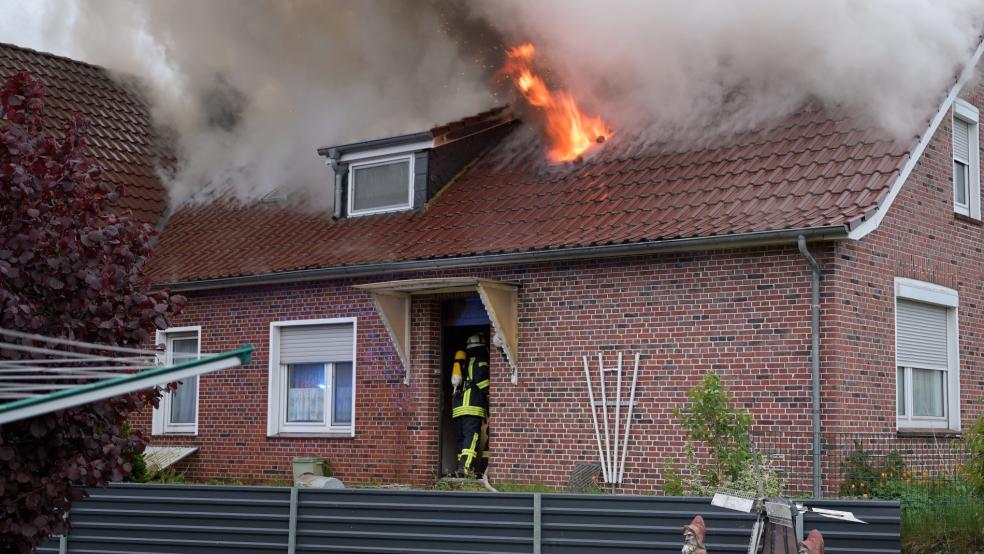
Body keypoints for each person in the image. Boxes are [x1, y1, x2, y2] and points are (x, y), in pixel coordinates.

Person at [451, 334, 490, 477]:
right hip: (472, 406)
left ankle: (461, 467)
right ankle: (466, 469)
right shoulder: (480, 359)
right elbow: (484, 383)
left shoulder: (464, 361)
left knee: (462, 439)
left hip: (458, 407)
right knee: (472, 437)